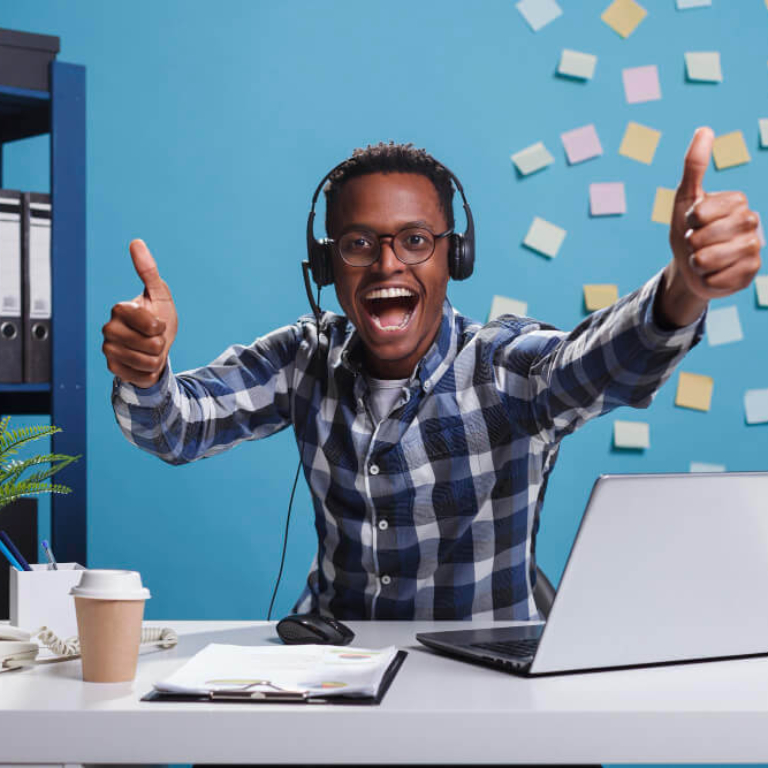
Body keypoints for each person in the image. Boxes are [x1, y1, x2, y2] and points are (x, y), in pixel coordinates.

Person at [103, 129, 761, 620]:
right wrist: (146, 372)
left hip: (485, 674)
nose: (388, 264)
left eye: (415, 240)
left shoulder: (506, 365)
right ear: (328, 266)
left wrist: (682, 288)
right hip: (335, 662)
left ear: (455, 257)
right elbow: (175, 429)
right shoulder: (302, 358)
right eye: (359, 244)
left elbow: (601, 363)